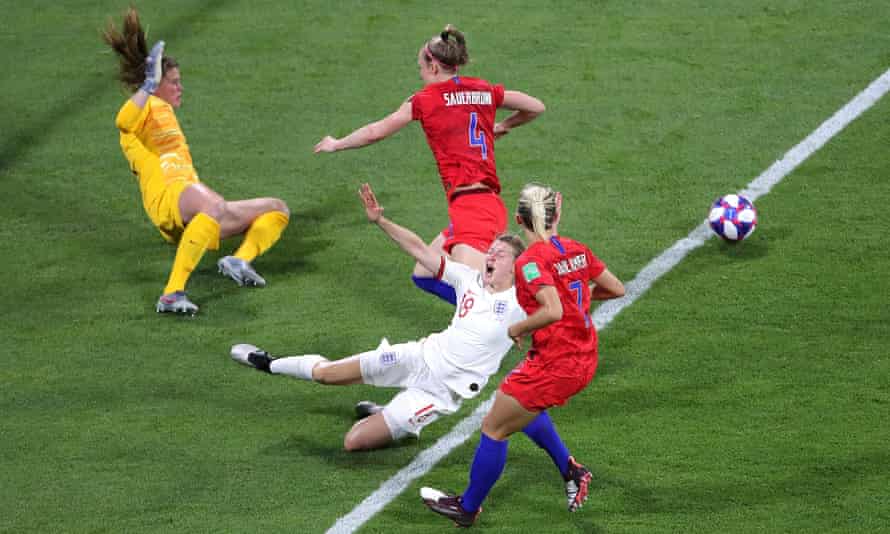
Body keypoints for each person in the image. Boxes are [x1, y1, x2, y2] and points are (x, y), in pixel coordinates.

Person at [230, 183, 527, 451]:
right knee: (326, 375)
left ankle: (395, 417)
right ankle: (267, 362)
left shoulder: (520, 303)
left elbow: (560, 316)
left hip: (439, 392)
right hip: (419, 356)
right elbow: (418, 249)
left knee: (353, 441)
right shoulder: (468, 279)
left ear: (516, 266)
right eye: (490, 251)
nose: (490, 257)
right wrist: (381, 221)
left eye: (499, 255)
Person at [421, 182, 626, 527]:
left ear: (518, 218)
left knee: (494, 427)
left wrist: (517, 329)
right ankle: (571, 470)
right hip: (581, 355)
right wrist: (580, 304)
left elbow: (552, 311)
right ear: (557, 214)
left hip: (557, 364)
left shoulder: (530, 263)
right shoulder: (577, 249)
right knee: (518, 404)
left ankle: (467, 508)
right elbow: (616, 288)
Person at [314, 25, 545, 306]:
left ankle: (518, 312)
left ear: (434, 66)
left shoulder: (425, 100)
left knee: (478, 297)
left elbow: (376, 131)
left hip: (473, 208)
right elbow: (535, 106)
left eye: (421, 68)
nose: (420, 74)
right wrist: (502, 126)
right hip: (476, 204)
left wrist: (336, 143)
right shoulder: (483, 89)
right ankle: (493, 312)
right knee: (424, 274)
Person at [103, 7, 290, 314]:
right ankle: (171, 293)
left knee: (277, 209)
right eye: (173, 82)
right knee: (214, 205)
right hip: (167, 198)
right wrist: (148, 86)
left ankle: (239, 260)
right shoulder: (144, 107)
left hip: (188, 201)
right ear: (156, 83)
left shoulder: (164, 113)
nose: (180, 87)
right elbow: (122, 121)